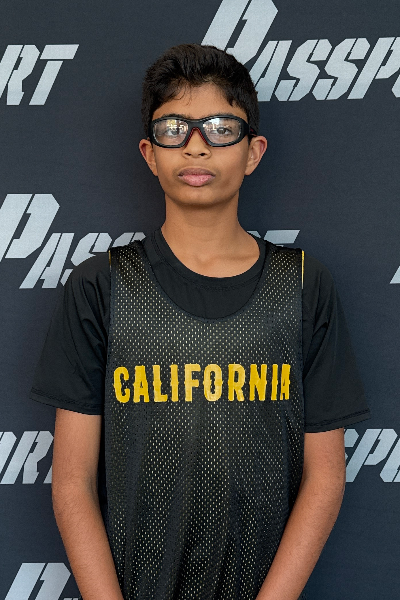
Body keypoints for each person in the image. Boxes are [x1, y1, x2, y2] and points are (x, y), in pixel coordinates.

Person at [30, 43, 371, 600]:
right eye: (174, 129)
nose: (196, 145)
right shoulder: (101, 286)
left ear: (253, 152)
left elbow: (326, 477)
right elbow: (71, 483)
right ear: (149, 153)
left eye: (220, 128)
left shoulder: (303, 284)